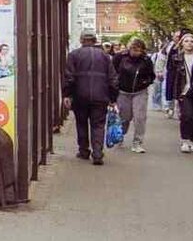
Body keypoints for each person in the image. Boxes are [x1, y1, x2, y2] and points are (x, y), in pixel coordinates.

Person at [63, 31, 118, 165]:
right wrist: (112, 98)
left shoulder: (73, 55)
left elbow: (69, 77)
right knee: (98, 124)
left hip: (80, 95)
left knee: (81, 123)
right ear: (95, 41)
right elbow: (113, 79)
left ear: (81, 40)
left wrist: (67, 95)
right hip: (101, 96)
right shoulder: (105, 57)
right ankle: (98, 153)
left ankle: (83, 150)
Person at [114, 38, 155, 153]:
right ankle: (120, 135)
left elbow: (151, 75)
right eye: (133, 49)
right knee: (124, 117)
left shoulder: (146, 60)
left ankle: (137, 142)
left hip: (140, 91)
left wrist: (146, 82)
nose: (135, 52)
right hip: (123, 91)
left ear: (142, 50)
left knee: (140, 118)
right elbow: (112, 72)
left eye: (138, 50)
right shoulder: (120, 57)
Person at [167, 32, 193, 153]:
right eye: (186, 41)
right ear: (182, 43)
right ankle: (185, 140)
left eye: (192, 41)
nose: (189, 43)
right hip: (183, 92)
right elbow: (171, 77)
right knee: (187, 116)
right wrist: (171, 95)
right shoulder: (176, 58)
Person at [163, 29, 185, 119]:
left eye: (179, 36)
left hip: (181, 72)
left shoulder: (186, 46)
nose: (178, 38)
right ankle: (169, 108)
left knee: (180, 91)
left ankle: (180, 110)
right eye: (176, 36)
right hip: (171, 71)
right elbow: (164, 57)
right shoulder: (170, 46)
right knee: (169, 89)